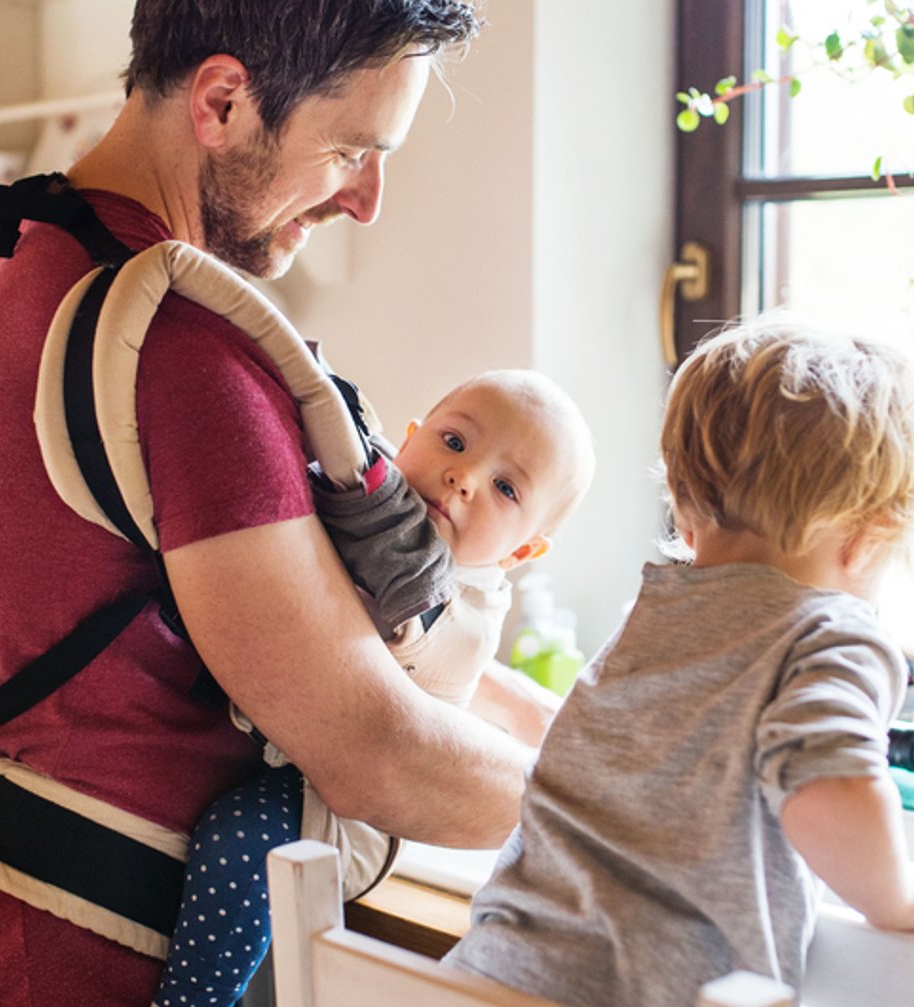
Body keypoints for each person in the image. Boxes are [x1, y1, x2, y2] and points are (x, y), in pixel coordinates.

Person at [0, 0, 535, 1005]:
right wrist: (635, 807)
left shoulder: (43, 246)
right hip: (69, 961)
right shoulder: (180, 349)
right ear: (223, 100)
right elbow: (376, 746)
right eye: (350, 149)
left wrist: (601, 733)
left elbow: (320, 639)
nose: (364, 199)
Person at [444, 315, 914, 1007]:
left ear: (684, 512)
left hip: (479, 975)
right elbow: (827, 792)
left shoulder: (652, 615)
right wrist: (905, 895)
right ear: (871, 537)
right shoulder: (834, 634)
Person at [156, 369, 595, 1007]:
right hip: (278, 738)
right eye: (453, 442)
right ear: (409, 439)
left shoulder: (464, 612)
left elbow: (391, 614)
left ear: (522, 552)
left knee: (237, 841)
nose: (464, 476)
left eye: (504, 487)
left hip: (343, 815)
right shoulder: (376, 502)